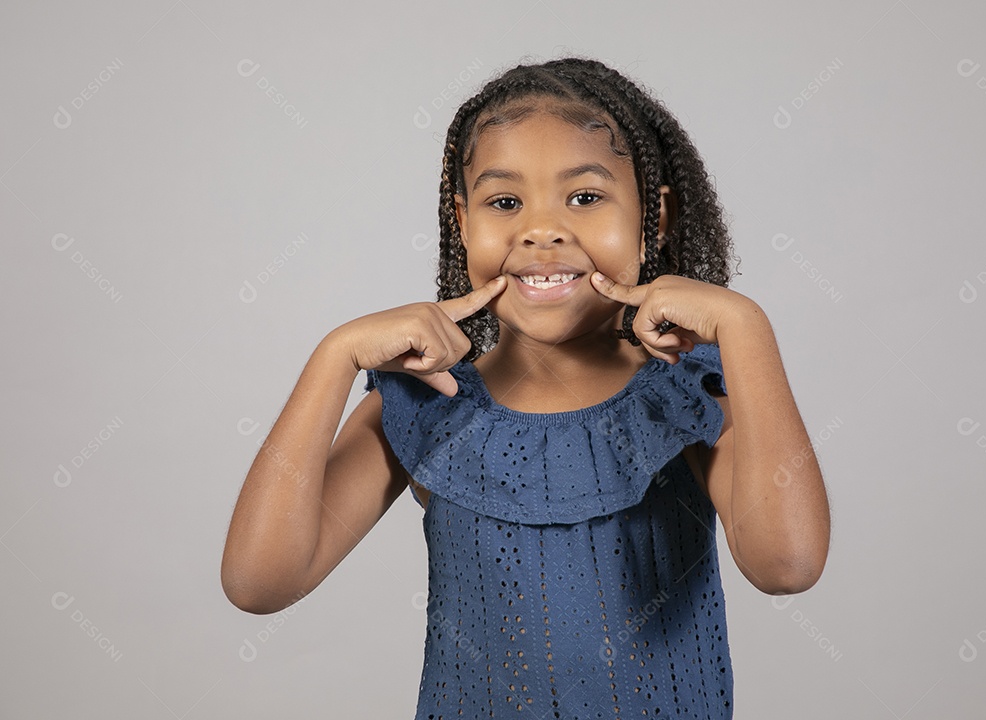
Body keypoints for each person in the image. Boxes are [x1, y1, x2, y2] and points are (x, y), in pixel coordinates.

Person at [221, 56, 831, 719]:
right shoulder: (431, 403)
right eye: (505, 202)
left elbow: (787, 563)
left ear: (655, 219)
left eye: (586, 197)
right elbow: (260, 582)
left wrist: (744, 327)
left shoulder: (686, 395)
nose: (541, 230)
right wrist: (333, 357)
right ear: (462, 221)